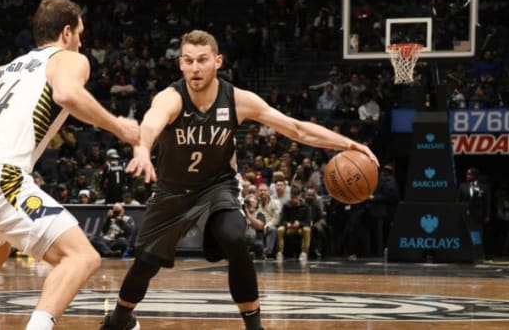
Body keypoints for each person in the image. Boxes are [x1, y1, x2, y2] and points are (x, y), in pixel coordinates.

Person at [100, 30, 378, 330]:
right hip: (173, 190)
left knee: (235, 237)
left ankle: (254, 327)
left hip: (217, 186)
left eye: (203, 60)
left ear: (217, 61)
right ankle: (120, 317)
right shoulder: (170, 98)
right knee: (145, 264)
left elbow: (296, 129)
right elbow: (149, 126)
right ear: (180, 64)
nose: (195, 68)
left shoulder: (237, 99)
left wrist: (346, 144)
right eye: (189, 61)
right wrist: (141, 151)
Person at [0, 0, 139, 330]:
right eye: (80, 33)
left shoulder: (6, 69)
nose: (81, 40)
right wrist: (119, 125)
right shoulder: (68, 59)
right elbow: (66, 94)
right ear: (66, 33)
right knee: (81, 257)